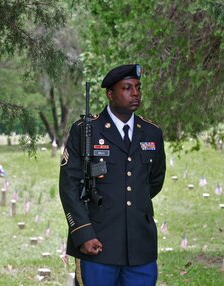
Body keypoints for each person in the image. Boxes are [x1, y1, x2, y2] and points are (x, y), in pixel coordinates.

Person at [59, 64, 166, 286]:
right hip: (98, 242)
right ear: (110, 94)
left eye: (138, 87)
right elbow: (69, 186)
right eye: (127, 88)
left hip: (140, 245)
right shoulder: (86, 130)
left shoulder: (152, 133)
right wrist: (82, 233)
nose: (135, 93)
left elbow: (153, 182)